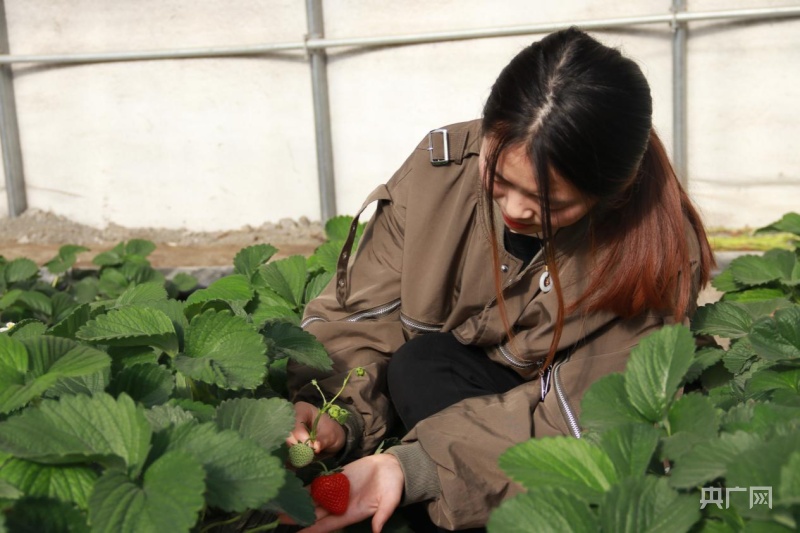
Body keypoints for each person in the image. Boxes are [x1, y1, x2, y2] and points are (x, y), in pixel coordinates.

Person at [285, 27, 714, 532]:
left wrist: (413, 467)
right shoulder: (439, 173)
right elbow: (361, 316)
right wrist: (336, 412)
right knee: (421, 364)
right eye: (500, 178)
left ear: (611, 195)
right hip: (448, 390)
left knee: (421, 375)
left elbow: (590, 425)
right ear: (488, 129)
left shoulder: (651, 251)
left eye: (550, 203)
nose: (513, 208)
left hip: (547, 430)